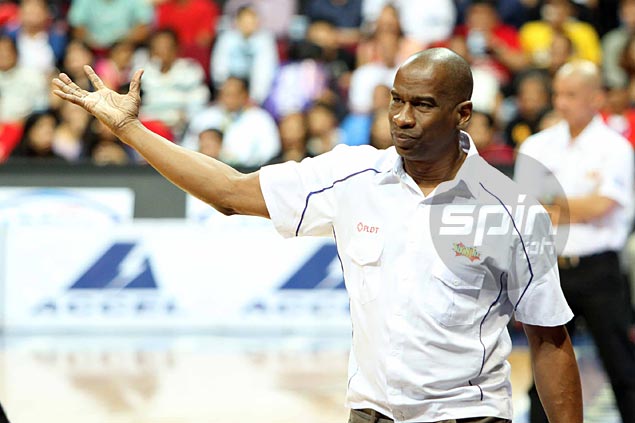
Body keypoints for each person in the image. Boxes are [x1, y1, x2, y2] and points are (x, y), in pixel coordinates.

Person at [52, 47, 583, 423]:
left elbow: (550, 340)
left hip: (467, 417)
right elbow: (229, 192)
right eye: (396, 100)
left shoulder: (513, 212)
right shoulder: (350, 176)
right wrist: (129, 130)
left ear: (462, 114)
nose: (402, 118)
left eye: (422, 105)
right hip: (369, 414)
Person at [515, 60, 635, 423]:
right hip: (551, 267)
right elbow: (524, 206)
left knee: (622, 366)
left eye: (570, 94)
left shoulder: (615, 147)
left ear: (596, 98)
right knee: (545, 369)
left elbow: (603, 205)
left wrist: (553, 204)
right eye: (557, 94)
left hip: (599, 268)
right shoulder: (537, 144)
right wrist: (575, 206)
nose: (561, 102)